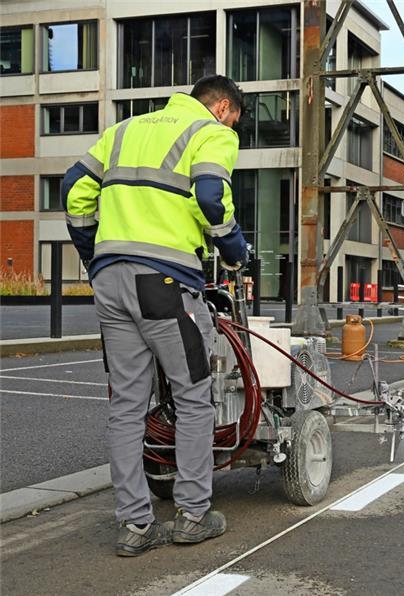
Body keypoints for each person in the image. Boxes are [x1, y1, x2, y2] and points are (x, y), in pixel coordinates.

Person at [62, 75, 248, 557]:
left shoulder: (123, 130)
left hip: (110, 282)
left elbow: (73, 190)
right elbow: (211, 196)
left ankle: (135, 526)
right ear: (222, 108)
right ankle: (193, 515)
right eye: (234, 120)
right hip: (165, 284)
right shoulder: (210, 132)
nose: (231, 129)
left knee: (127, 406)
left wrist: (94, 255)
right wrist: (234, 250)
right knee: (193, 397)